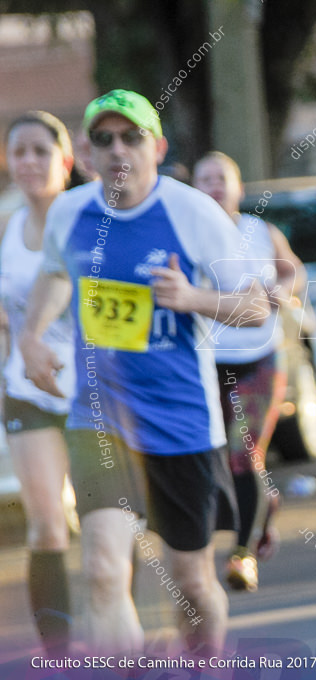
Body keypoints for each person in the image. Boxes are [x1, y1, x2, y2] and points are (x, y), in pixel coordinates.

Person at [19, 90, 268, 655]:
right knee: (105, 571)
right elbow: (56, 273)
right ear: (86, 153)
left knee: (192, 584)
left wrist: (192, 298)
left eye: (131, 137)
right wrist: (32, 337)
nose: (117, 150)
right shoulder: (70, 211)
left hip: (182, 425)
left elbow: (255, 306)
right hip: (99, 419)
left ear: (156, 147)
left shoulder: (192, 214)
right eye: (103, 140)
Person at [193, 151, 306, 591]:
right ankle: (263, 507)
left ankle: (242, 555)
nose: (215, 185)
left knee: (244, 453)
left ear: (239, 187)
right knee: (214, 456)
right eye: (206, 178)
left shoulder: (261, 230)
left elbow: (292, 269)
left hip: (259, 358)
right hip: (206, 363)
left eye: (223, 177)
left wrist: (283, 287)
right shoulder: (189, 235)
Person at [1, 111, 82, 657]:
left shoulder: (89, 219)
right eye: (18, 152)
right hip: (26, 392)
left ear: (66, 160)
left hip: (93, 395)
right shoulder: (7, 227)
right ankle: (60, 657)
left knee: (107, 532)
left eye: (40, 151)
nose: (28, 162)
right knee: (47, 528)